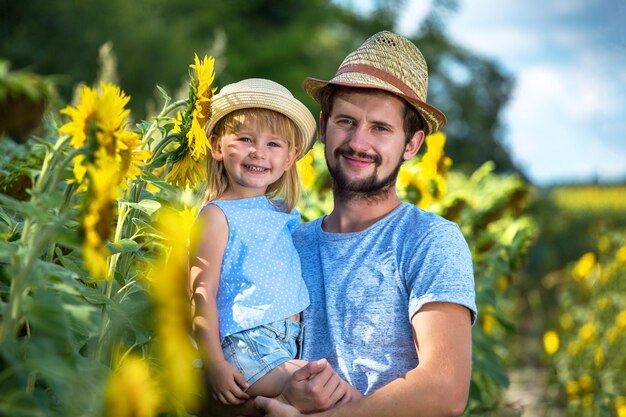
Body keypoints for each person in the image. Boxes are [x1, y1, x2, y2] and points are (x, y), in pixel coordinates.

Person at [251, 30, 478, 417]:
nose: (358, 142)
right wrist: (284, 393)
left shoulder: (429, 240)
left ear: (412, 144)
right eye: (346, 121)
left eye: (381, 128)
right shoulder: (287, 244)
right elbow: (226, 377)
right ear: (323, 126)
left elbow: (445, 388)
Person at [188, 78, 348, 409]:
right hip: (247, 343)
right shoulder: (217, 216)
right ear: (218, 146)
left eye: (274, 144)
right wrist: (214, 364)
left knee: (328, 393)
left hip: (287, 343)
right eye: (246, 139)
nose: (259, 152)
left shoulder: (284, 214)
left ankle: (279, 408)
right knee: (336, 394)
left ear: (290, 158)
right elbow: (201, 295)